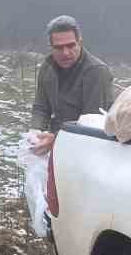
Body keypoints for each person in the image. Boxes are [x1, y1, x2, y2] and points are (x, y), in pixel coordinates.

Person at [29, 15, 115, 156]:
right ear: (51, 47)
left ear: (79, 42)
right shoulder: (47, 67)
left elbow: (92, 123)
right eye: (58, 48)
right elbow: (41, 107)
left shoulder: (96, 72)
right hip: (55, 145)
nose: (65, 53)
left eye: (70, 45)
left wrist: (57, 139)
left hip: (89, 150)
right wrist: (36, 131)